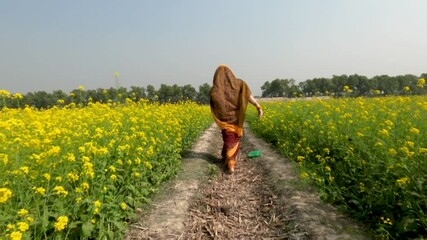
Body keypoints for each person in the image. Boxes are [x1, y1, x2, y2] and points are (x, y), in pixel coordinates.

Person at [209, 64, 263, 173]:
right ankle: (229, 161)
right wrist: (258, 106)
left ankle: (230, 164)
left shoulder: (215, 90)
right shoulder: (239, 84)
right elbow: (248, 96)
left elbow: (215, 106)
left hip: (225, 122)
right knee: (232, 141)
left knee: (228, 140)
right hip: (236, 120)